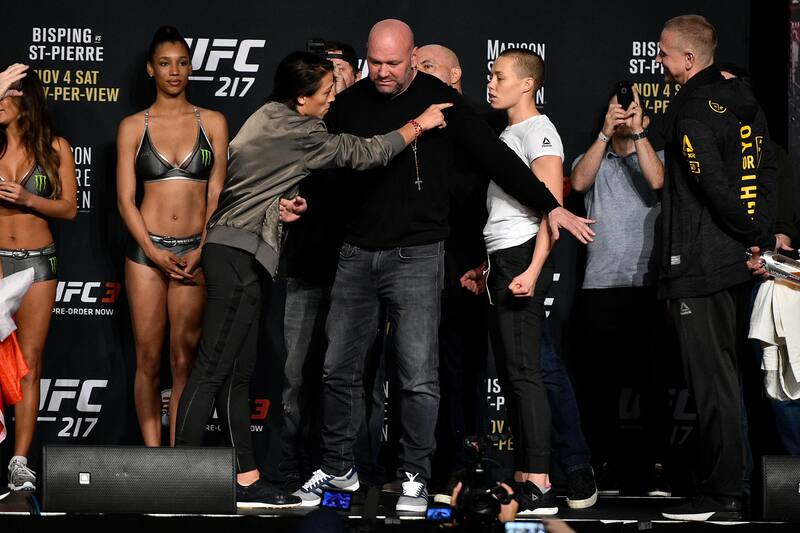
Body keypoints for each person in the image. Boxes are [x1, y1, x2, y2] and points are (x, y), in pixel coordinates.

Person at [295, 19, 594, 515]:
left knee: (417, 375)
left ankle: (415, 475)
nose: (383, 72)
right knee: (337, 371)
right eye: (376, 63)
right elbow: (325, 169)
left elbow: (496, 158)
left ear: (413, 57)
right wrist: (303, 201)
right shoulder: (349, 104)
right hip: (355, 253)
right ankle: (338, 469)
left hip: (417, 255)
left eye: (393, 63)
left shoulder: (443, 100)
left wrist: (550, 204)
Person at [174, 50, 450, 508]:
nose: (332, 99)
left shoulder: (269, 115)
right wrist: (417, 125)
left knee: (238, 375)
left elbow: (256, 177)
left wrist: (286, 201)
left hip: (242, 252)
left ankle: (245, 478)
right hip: (237, 257)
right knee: (210, 372)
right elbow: (367, 153)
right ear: (302, 98)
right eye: (326, 93)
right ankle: (178, 479)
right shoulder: (304, 130)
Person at [654, 15, 777, 521]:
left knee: (711, 382)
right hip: (731, 259)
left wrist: (751, 234)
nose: (658, 63)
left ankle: (723, 493)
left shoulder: (693, 109)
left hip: (702, 262)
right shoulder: (744, 100)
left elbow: (715, 188)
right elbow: (766, 169)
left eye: (663, 54)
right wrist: (760, 234)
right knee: (723, 379)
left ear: (688, 58)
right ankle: (727, 485)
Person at [116, 26, 228, 447]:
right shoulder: (132, 126)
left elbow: (217, 193)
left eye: (182, 63)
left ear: (190, 68)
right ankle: (151, 457)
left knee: (184, 360)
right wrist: (151, 249)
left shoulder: (213, 122)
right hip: (146, 254)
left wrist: (202, 247)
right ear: (151, 69)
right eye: (165, 63)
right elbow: (126, 200)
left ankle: (178, 460)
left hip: (194, 254)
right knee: (147, 359)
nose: (174, 71)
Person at [570, 86, 671, 497]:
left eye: (632, 112)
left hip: (647, 287)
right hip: (600, 288)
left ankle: (655, 470)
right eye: (618, 111)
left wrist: (638, 132)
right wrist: (604, 134)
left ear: (645, 117)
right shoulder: (592, 157)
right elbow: (577, 183)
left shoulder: (659, 158)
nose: (625, 117)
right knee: (600, 388)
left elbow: (656, 181)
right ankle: (605, 468)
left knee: (653, 385)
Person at [279, 39, 363, 490]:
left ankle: (349, 469)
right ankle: (290, 468)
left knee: (350, 380)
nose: (333, 79)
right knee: (293, 378)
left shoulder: (369, 120)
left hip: (359, 273)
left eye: (340, 69)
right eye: (324, 72)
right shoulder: (291, 127)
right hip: (305, 268)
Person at [0, 64, 77, 491]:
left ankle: (19, 461)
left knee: (28, 365)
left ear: (24, 100)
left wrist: (29, 198)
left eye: (5, 95)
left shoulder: (56, 147)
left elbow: (68, 208)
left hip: (37, 265)